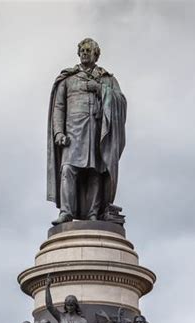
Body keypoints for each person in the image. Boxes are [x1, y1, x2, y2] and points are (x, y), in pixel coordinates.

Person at [47, 38, 127, 224]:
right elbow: (58, 107)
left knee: (95, 172)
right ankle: (66, 211)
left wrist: (100, 89)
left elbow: (120, 102)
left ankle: (92, 213)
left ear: (96, 54)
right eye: (82, 50)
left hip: (97, 133)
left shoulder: (107, 79)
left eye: (88, 50)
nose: (84, 52)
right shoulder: (68, 79)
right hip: (73, 134)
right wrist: (58, 132)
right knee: (68, 170)